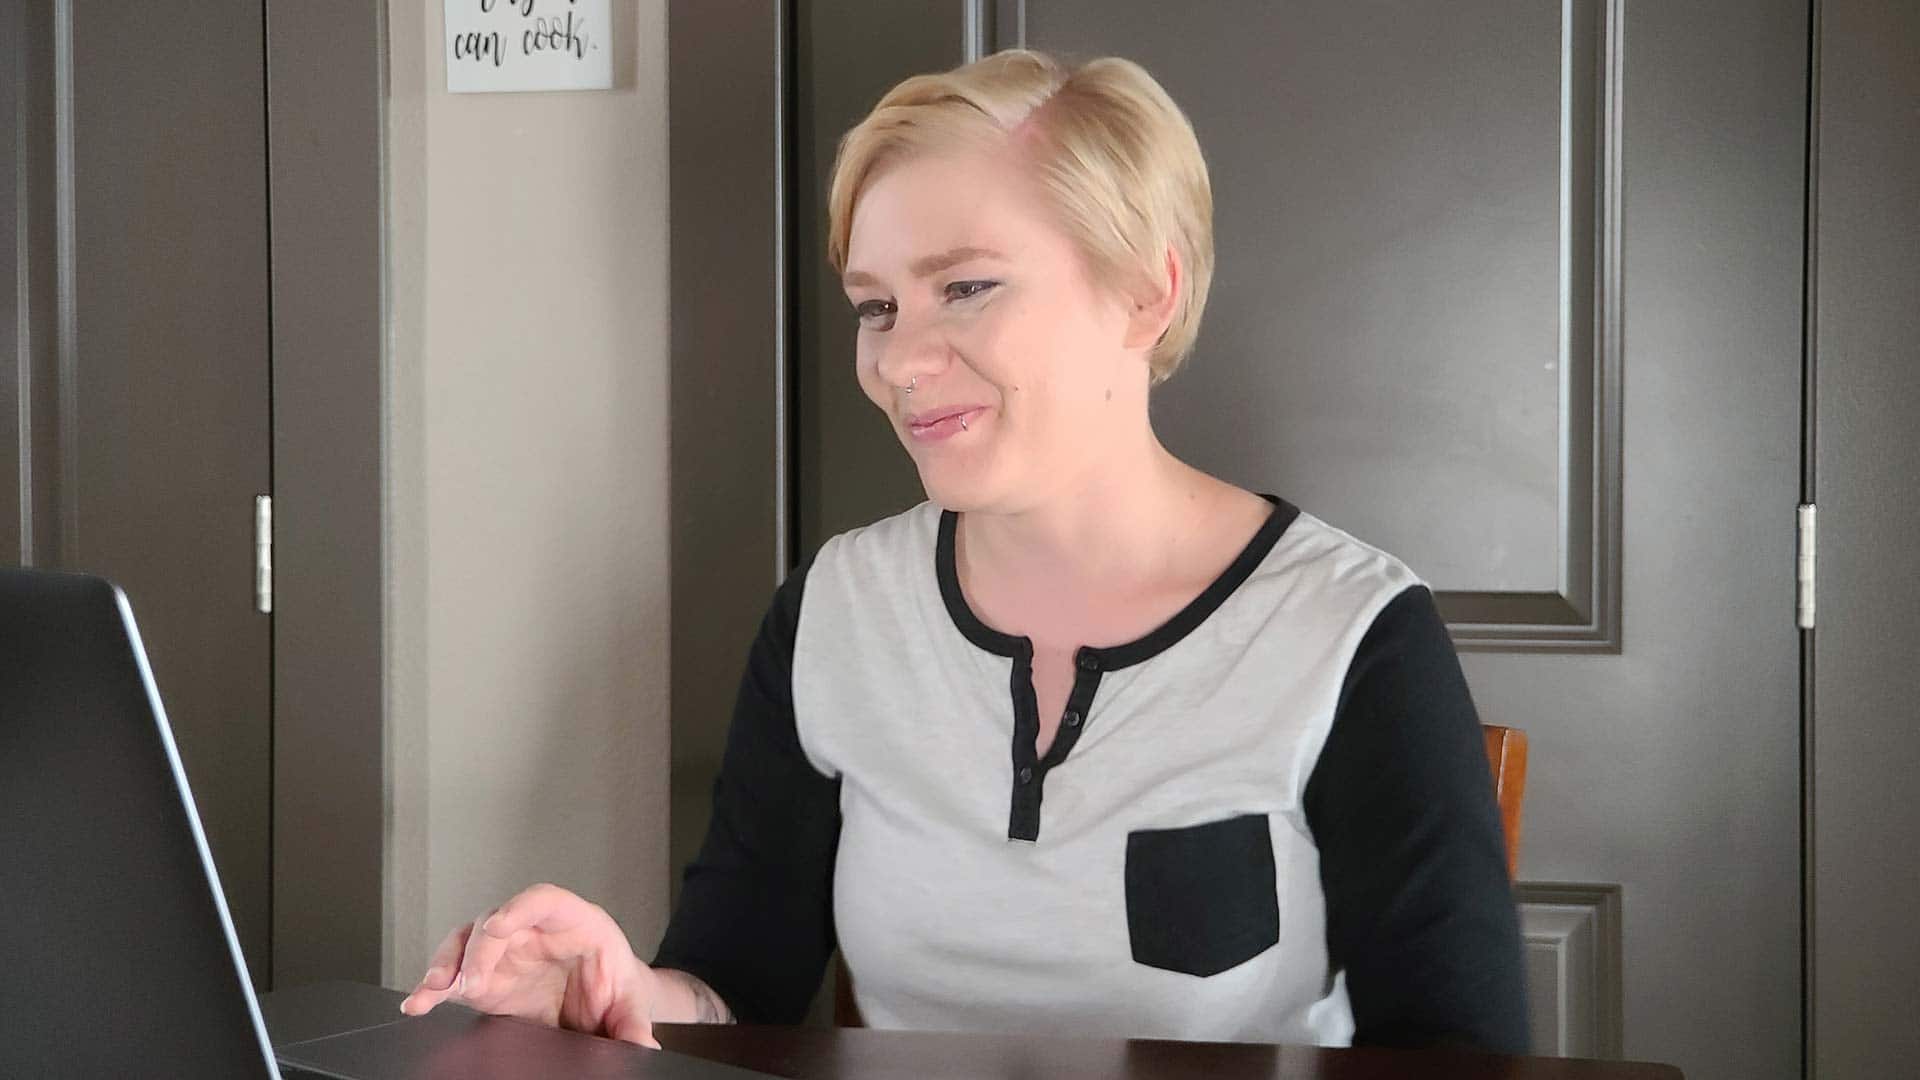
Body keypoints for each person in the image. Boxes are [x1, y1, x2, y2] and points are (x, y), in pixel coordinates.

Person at [400, 48, 1527, 1054]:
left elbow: (1454, 1053)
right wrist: (628, 994)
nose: (899, 360)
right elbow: (737, 989)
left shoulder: (1349, 636)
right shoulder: (835, 613)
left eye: (967, 288)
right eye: (877, 306)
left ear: (1145, 292)